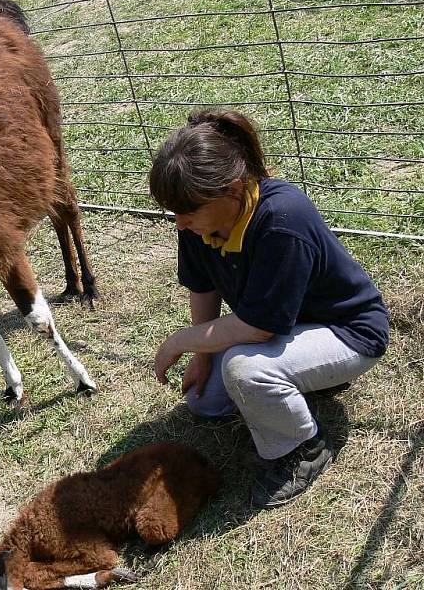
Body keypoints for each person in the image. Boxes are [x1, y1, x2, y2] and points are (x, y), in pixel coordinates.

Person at [148, 109, 389, 509]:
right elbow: (204, 286)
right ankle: (306, 384)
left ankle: (303, 449)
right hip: (287, 327)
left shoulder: (282, 218)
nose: (179, 223)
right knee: (205, 401)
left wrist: (180, 342)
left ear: (234, 187)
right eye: (174, 212)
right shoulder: (199, 222)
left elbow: (259, 329)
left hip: (347, 333)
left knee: (246, 368)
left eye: (187, 212)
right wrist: (203, 357)